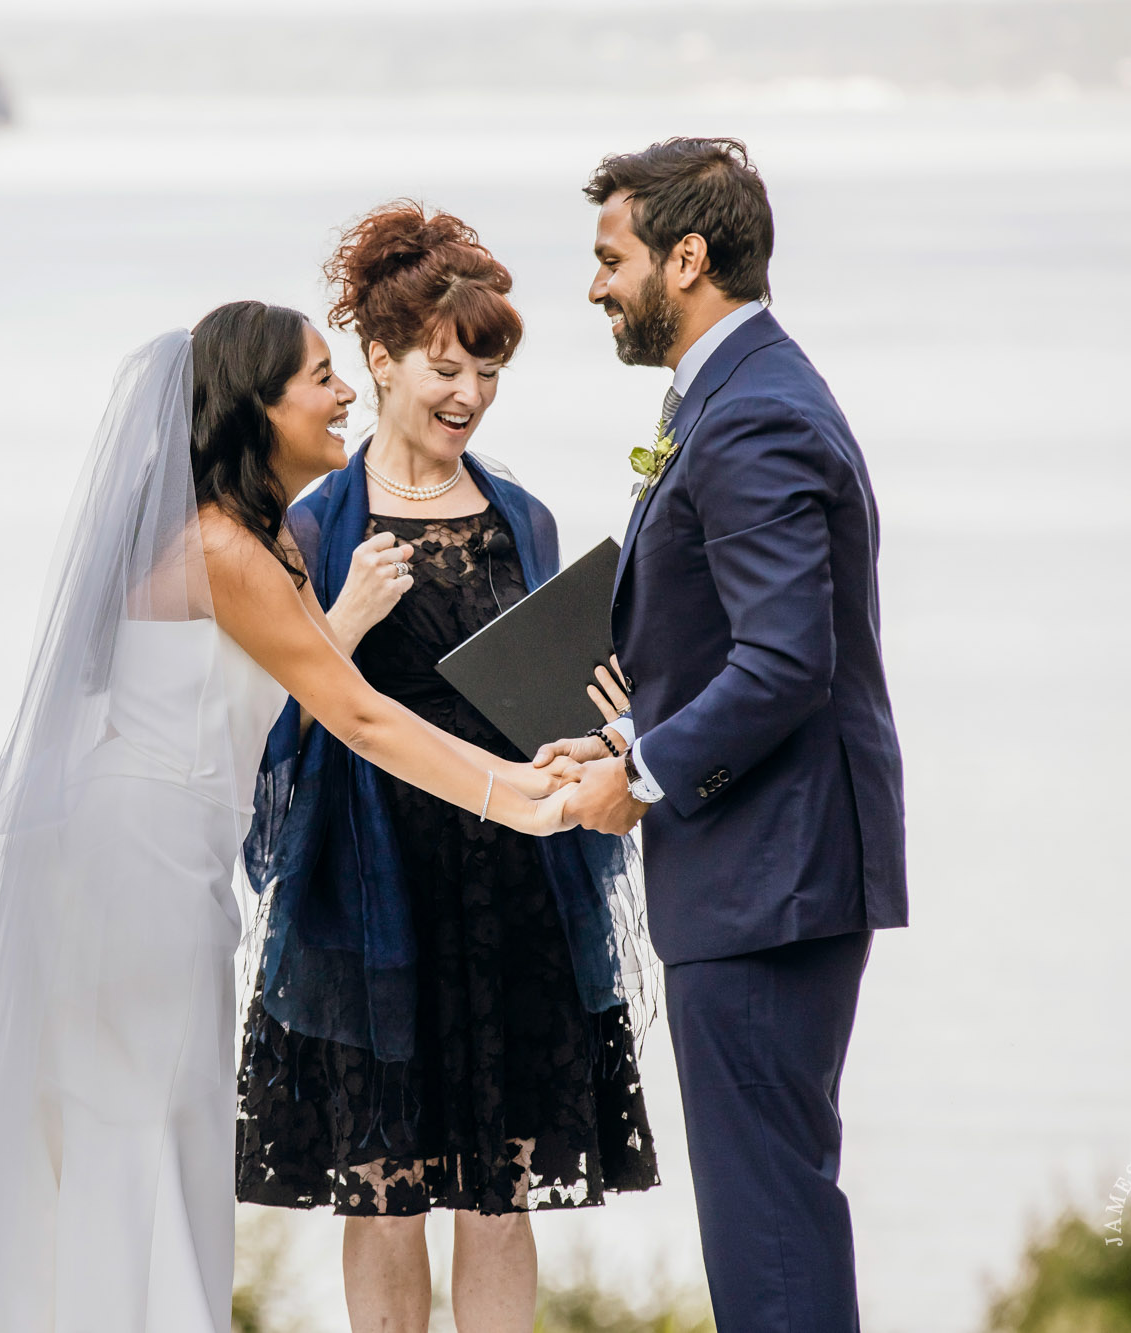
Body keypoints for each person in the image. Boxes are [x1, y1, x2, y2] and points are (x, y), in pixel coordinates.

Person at [0, 300, 584, 1333]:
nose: (343, 396)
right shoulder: (222, 549)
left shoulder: (260, 536)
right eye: (320, 376)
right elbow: (359, 716)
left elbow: (307, 697)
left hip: (173, 858)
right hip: (128, 865)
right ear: (255, 406)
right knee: (133, 1130)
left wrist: (533, 770)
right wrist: (521, 800)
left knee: (171, 1126)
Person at [236, 204, 658, 1333]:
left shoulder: (522, 516)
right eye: (442, 364)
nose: (465, 391)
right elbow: (267, 745)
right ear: (377, 362)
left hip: (509, 884)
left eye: (486, 366)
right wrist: (339, 621)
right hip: (365, 893)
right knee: (378, 1196)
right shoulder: (314, 522)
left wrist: (605, 715)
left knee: (497, 1189)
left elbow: (554, 698)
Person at [535, 139, 907, 1332]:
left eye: (611, 258)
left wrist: (640, 775)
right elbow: (746, 646)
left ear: (684, 258)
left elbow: (789, 658)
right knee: (770, 1215)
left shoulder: (753, 419)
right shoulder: (740, 395)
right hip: (763, 869)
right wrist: (629, 730)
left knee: (767, 1229)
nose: (595, 286)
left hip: (768, 879)